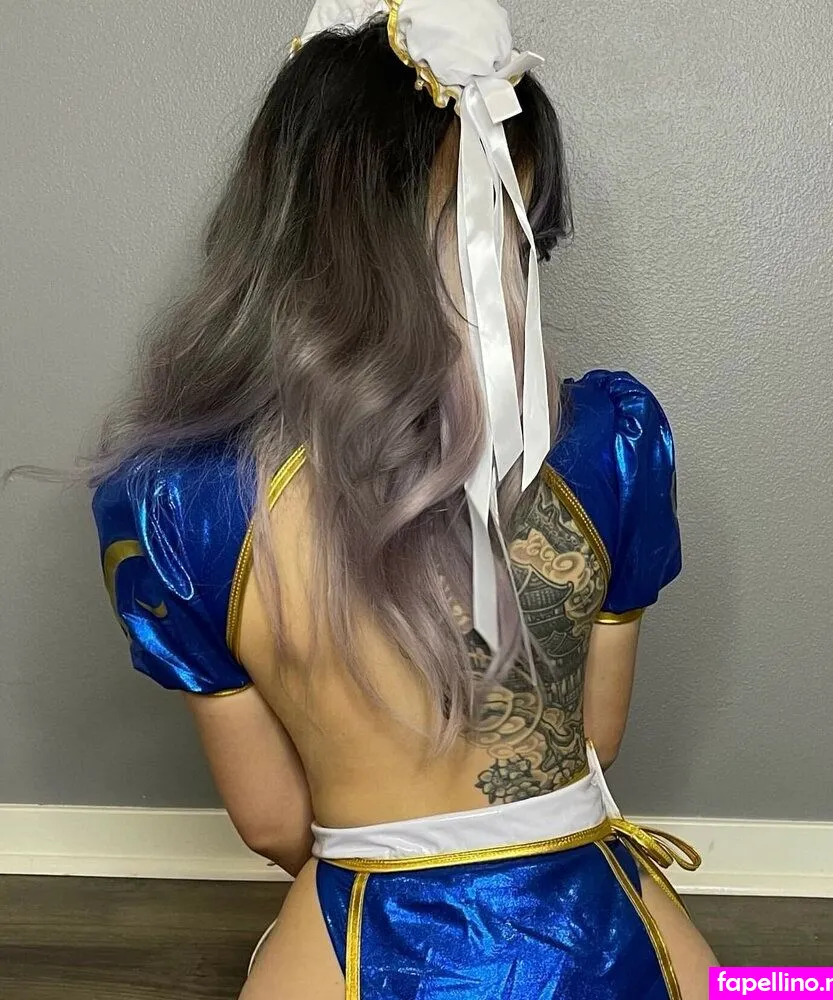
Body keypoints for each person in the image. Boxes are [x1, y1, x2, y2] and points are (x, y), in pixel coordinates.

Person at [88, 0, 719, 996]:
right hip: (605, 933)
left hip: (355, 945)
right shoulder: (612, 442)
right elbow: (596, 739)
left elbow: (272, 823)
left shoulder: (176, 501)